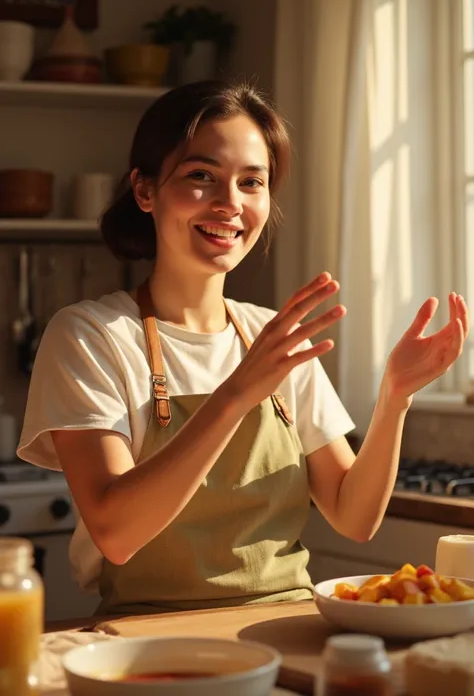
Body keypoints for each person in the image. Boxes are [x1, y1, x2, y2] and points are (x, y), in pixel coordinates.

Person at [18, 81, 468, 616]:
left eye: (252, 181)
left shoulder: (272, 336)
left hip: (290, 624)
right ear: (144, 191)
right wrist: (236, 393)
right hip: (148, 640)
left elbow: (354, 516)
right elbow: (116, 532)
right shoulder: (91, 336)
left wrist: (395, 397)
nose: (230, 203)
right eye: (201, 176)